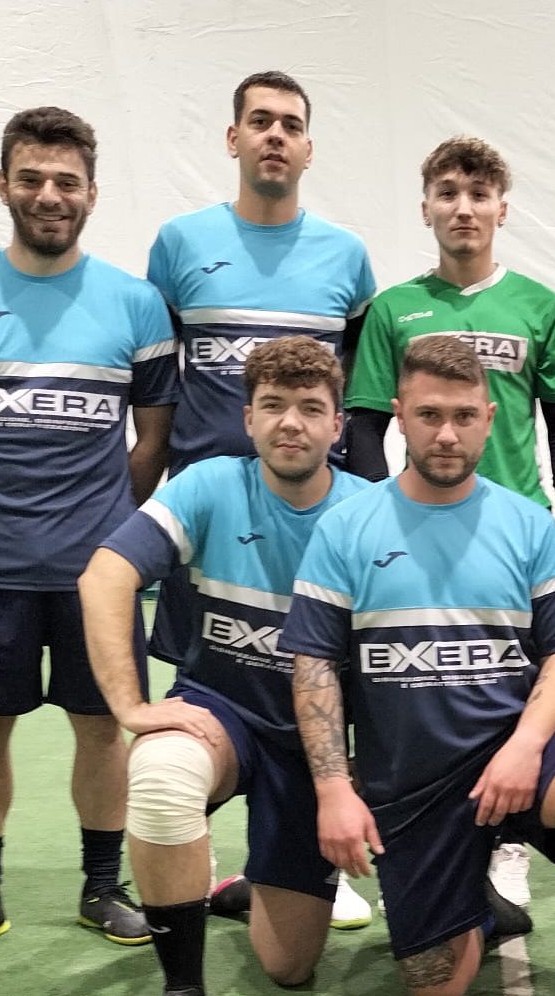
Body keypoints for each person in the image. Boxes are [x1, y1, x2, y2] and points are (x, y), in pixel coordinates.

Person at [280, 335, 555, 996]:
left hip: (521, 759)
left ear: (491, 419)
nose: (447, 434)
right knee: (435, 994)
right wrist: (333, 789)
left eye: (463, 416)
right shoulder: (348, 527)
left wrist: (525, 745)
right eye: (429, 415)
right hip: (414, 786)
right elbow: (314, 664)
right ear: (399, 416)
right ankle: (478, 906)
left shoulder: (526, 523)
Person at [0, 106, 176, 964]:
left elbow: (152, 443)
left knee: (103, 728)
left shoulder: (136, 305)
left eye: (66, 181)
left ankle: (102, 889)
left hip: (96, 574)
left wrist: (106, 532)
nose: (49, 195)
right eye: (32, 178)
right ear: (3, 185)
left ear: (92, 193)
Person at [77, 337, 368, 996]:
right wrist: (131, 707)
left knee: (289, 967)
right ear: (248, 419)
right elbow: (104, 576)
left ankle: (241, 888)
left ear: (338, 425)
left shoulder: (369, 510)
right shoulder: (209, 484)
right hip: (219, 713)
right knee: (161, 774)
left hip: (312, 742)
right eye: (274, 405)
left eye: (311, 408)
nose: (291, 422)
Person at [146, 70, 378, 927]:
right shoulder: (179, 245)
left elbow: (356, 398)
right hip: (207, 523)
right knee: (205, 683)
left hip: (312, 523)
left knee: (320, 685)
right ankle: (192, 856)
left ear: (309, 147)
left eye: (291, 124)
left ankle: (315, 858)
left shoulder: (346, 258)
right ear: (233, 137)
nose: (275, 135)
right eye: (260, 121)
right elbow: (156, 387)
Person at [343, 135, 555, 909]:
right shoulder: (393, 310)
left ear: (501, 210)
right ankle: (363, 837)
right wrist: (381, 526)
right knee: (395, 689)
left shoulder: (539, 306)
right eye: (448, 193)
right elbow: (362, 432)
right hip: (415, 533)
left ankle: (505, 846)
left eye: (479, 195)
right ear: (426, 208)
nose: (463, 208)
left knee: (516, 689)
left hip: (515, 536)